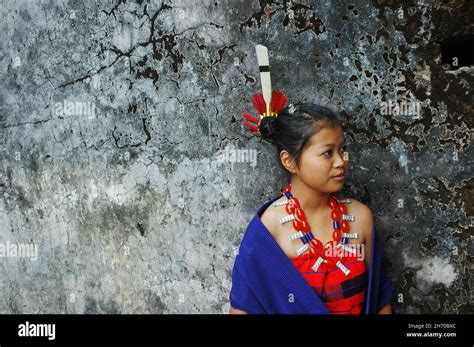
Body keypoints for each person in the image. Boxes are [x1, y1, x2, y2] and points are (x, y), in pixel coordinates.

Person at [229, 98, 393, 314]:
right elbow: (243, 308)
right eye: (327, 153)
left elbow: (380, 300)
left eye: (342, 150)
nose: (341, 161)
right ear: (289, 161)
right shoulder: (268, 231)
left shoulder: (360, 218)